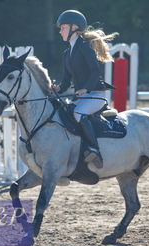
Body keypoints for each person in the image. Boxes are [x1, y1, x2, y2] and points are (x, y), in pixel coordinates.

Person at [51, 9, 118, 169]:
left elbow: (95, 71)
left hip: (95, 95)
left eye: (63, 28)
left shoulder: (84, 47)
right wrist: (58, 88)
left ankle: (95, 150)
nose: (60, 31)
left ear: (74, 27)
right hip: (82, 97)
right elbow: (67, 80)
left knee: (77, 113)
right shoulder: (67, 54)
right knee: (63, 114)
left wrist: (86, 89)